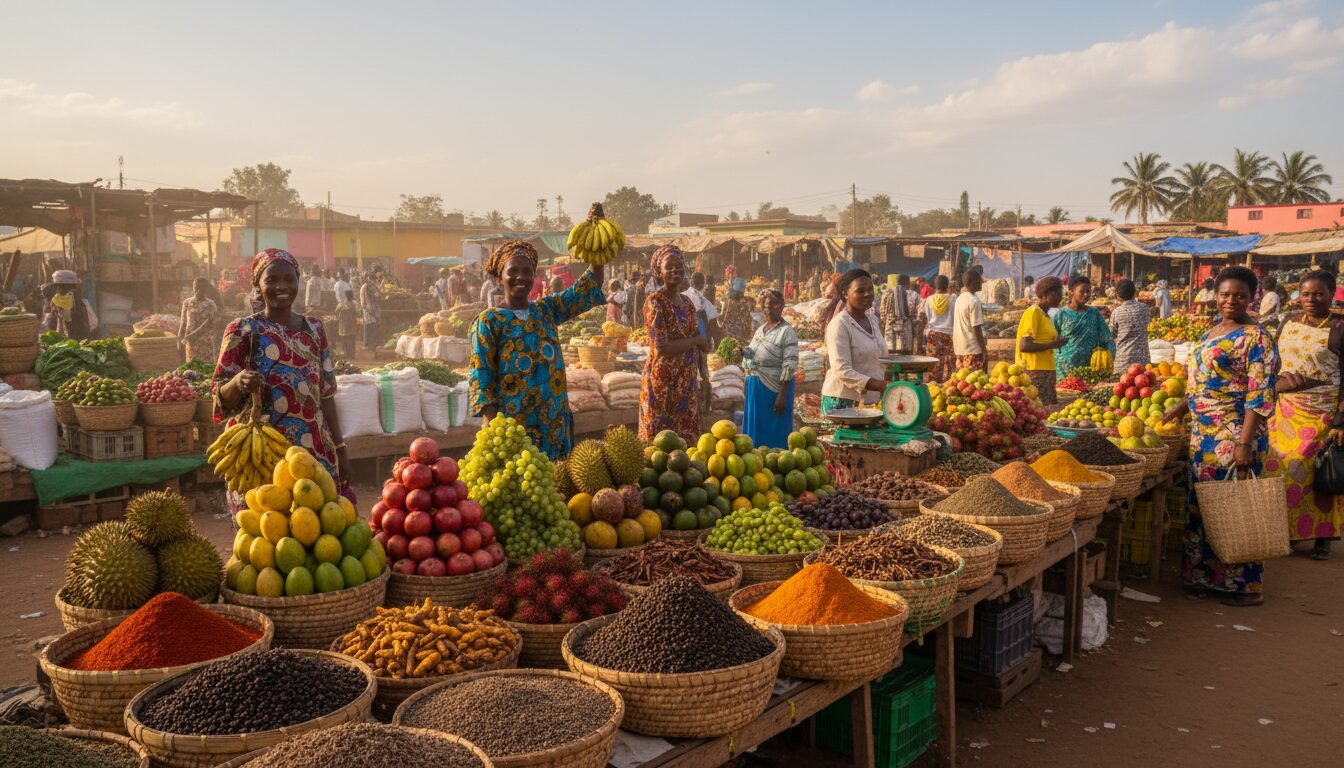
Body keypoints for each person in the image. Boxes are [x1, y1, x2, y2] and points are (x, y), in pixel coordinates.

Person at [1163, 266, 1278, 606]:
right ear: (1216, 295)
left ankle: (1241, 584)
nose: (1231, 300)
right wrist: (1185, 405)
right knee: (1203, 507)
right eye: (1225, 294)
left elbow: (1259, 394)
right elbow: (1207, 379)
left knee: (1235, 507)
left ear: (1251, 298)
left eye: (1240, 295)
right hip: (1204, 437)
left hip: (1233, 434)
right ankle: (1200, 576)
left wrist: (1243, 443)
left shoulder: (1256, 338)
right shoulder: (1214, 330)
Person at [213, 249, 351, 505]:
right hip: (262, 455)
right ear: (257, 284)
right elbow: (220, 396)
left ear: (298, 281)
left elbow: (327, 394)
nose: (282, 287)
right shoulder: (242, 330)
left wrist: (340, 448)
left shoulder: (314, 329)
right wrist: (238, 382)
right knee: (266, 537)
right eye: (272, 280)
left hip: (314, 452)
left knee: (318, 533)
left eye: (289, 279)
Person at [468, 241, 604, 460]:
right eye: (513, 271)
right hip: (514, 427)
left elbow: (588, 288)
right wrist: (492, 425)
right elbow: (480, 375)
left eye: (527, 271)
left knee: (557, 486)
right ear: (499, 278)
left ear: (534, 277)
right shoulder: (489, 321)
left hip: (554, 422)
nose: (520, 277)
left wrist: (598, 249)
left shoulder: (546, 309)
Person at [1264, 270, 1344, 561]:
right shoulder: (1288, 321)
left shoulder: (1338, 327)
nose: (1311, 300)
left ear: (1332, 294)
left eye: (1319, 294)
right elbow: (1274, 360)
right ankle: (1291, 530)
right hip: (1285, 408)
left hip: (1321, 413)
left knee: (1318, 473)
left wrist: (1340, 421)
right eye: (1306, 294)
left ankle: (1324, 536)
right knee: (1280, 469)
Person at [640, 245, 710, 443]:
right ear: (658, 272)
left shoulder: (687, 302)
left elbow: (697, 337)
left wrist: (704, 374)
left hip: (686, 383)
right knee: (660, 445)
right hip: (663, 384)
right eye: (668, 267)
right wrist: (696, 341)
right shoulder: (656, 302)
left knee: (686, 445)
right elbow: (661, 348)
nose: (674, 270)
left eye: (678, 266)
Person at [821, 269, 887, 414]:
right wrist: (881, 385)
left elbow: (881, 358)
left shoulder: (872, 320)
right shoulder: (840, 325)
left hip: (870, 401)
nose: (868, 294)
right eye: (860, 291)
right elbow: (842, 370)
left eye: (870, 289)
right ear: (845, 294)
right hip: (842, 403)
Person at [743, 289, 798, 448]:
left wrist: (782, 395)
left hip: (774, 388)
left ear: (782, 306)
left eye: (775, 304)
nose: (770, 309)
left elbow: (789, 364)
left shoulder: (787, 332)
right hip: (756, 386)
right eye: (767, 306)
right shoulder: (761, 329)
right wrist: (743, 352)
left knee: (773, 430)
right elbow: (753, 353)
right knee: (756, 430)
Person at [1016, 276, 1067, 405]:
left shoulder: (1046, 315)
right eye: (1058, 293)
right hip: (1035, 371)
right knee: (1038, 410)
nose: (1060, 297)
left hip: (1047, 370)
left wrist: (1056, 341)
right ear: (1047, 294)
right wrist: (1053, 344)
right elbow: (1025, 345)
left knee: (1047, 411)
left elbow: (1043, 339)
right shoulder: (1033, 313)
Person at [1053, 275, 1114, 379]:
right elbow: (1054, 340)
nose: (1086, 294)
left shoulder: (1094, 314)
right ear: (1071, 292)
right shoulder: (1061, 314)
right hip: (1064, 370)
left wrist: (1107, 358)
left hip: (1090, 369)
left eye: (1088, 291)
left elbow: (1107, 339)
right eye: (1082, 291)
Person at [41, 270, 99, 341]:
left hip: (73, 340)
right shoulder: (75, 299)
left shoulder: (66, 300)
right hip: (80, 339)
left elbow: (62, 328)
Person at [1109, 279, 1151, 373]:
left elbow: (1111, 334)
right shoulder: (1144, 308)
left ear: (1118, 296)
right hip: (1142, 362)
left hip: (1122, 362)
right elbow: (1146, 323)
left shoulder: (1117, 312)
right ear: (1134, 293)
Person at [177, 277, 221, 364]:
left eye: (200, 288)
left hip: (205, 343)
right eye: (195, 288)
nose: (197, 291)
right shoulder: (187, 303)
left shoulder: (210, 304)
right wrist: (179, 339)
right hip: (190, 343)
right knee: (191, 368)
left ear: (205, 290)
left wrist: (190, 336)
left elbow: (210, 324)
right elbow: (183, 322)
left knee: (205, 369)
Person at [922, 275, 957, 382]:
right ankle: (948, 386)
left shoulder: (928, 300)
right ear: (948, 286)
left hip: (933, 335)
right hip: (948, 335)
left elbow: (924, 317)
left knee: (933, 364)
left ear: (935, 286)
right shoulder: (952, 299)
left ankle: (933, 387)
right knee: (949, 364)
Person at [953, 268, 988, 372]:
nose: (981, 284)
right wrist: (984, 350)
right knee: (975, 383)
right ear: (973, 283)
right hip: (973, 349)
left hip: (960, 348)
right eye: (979, 282)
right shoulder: (974, 301)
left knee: (962, 382)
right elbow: (977, 328)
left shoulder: (960, 298)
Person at [880, 274, 918, 354]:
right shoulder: (912, 294)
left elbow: (882, 313)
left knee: (892, 356)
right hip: (905, 330)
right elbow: (915, 312)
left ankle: (896, 367)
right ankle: (903, 366)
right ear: (908, 283)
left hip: (889, 328)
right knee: (905, 356)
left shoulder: (886, 293)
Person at [683, 271, 722, 345]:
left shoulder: (681, 295)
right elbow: (713, 324)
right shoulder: (703, 301)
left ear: (691, 282)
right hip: (698, 337)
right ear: (703, 285)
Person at [360, 267, 383, 351]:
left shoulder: (373, 286)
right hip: (369, 311)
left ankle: (373, 345)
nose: (372, 280)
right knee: (368, 327)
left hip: (375, 311)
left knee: (374, 329)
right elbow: (363, 303)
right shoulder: (365, 287)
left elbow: (378, 296)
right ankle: (367, 345)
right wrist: (368, 309)